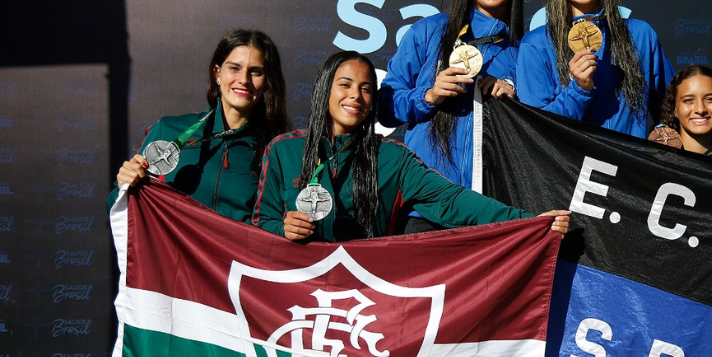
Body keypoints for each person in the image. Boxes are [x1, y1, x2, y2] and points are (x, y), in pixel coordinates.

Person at [254, 51, 570, 242]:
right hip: (295, 296)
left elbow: (453, 202)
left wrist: (527, 221)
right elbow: (258, 223)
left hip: (361, 298)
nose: (356, 96)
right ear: (325, 89)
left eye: (366, 89)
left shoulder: (393, 158)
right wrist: (283, 229)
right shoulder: (283, 150)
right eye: (345, 85)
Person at [378, 0, 524, 191]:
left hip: (492, 204)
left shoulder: (525, 52)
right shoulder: (429, 31)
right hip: (424, 200)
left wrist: (516, 104)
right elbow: (385, 108)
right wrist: (429, 96)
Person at [110, 29, 290, 222]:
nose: (244, 80)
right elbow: (118, 208)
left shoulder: (277, 150)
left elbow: (274, 228)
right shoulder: (169, 130)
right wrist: (124, 185)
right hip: (173, 252)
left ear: (267, 81)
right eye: (234, 68)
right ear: (217, 73)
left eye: (256, 71)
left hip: (236, 253)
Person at [517, 0, 673, 137]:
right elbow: (535, 130)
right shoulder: (536, 45)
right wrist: (579, 89)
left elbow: (673, 107)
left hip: (629, 167)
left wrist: (665, 135)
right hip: (569, 169)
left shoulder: (641, 35)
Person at [648, 65, 712, 162]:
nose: (700, 109)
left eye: (710, 99)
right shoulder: (656, 164)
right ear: (674, 108)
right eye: (689, 100)